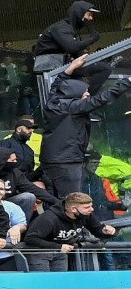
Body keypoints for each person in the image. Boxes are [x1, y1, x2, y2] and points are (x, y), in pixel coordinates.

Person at [40, 55, 131, 197]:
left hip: (52, 160)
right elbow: (103, 98)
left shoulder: (53, 103)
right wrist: (127, 82)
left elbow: (56, 86)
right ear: (75, 94)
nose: (88, 93)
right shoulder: (74, 107)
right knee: (71, 199)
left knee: (55, 199)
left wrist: (70, 68)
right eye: (85, 92)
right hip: (67, 161)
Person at [23, 191, 116, 272]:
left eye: (91, 206)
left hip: (62, 253)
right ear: (73, 209)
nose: (91, 209)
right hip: (40, 253)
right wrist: (58, 246)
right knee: (43, 285)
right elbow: (30, 238)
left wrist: (106, 231)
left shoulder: (86, 216)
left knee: (60, 283)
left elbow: (97, 229)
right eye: (87, 207)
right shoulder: (49, 219)